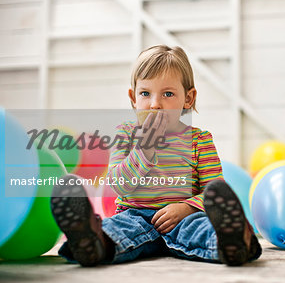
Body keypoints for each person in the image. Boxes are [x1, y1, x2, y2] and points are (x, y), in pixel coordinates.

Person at [50, 45, 261, 267]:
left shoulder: (200, 140)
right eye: (145, 93)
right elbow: (118, 185)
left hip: (183, 218)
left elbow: (212, 191)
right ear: (133, 98)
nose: (155, 104)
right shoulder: (126, 135)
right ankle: (92, 242)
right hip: (135, 216)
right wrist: (144, 151)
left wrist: (186, 208)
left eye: (168, 94)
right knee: (116, 229)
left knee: (202, 229)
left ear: (188, 99)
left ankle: (235, 241)